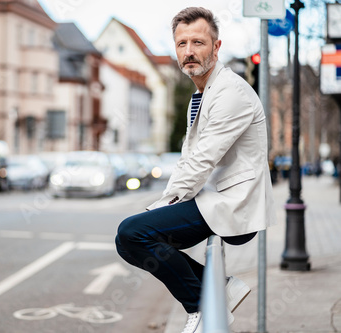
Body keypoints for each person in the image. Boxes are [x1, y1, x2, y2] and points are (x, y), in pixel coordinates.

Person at [115, 7, 276, 333]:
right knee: (130, 237)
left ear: (216, 48)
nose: (189, 51)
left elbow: (202, 161)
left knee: (134, 233)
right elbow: (190, 160)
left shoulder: (230, 92)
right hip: (213, 196)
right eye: (182, 43)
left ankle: (201, 304)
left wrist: (166, 203)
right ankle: (217, 289)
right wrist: (164, 204)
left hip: (233, 201)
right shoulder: (203, 93)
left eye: (198, 42)